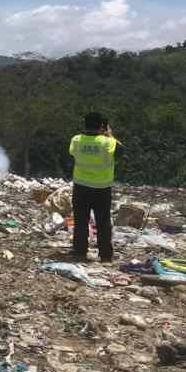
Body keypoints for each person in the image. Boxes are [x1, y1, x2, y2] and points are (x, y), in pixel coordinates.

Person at [68, 112, 122, 262]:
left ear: (84, 124)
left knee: (80, 220)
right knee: (103, 222)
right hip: (101, 188)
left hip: (81, 187)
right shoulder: (108, 142)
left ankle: (79, 252)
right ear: (102, 126)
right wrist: (110, 134)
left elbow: (72, 152)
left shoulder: (76, 140)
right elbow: (121, 151)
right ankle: (105, 255)